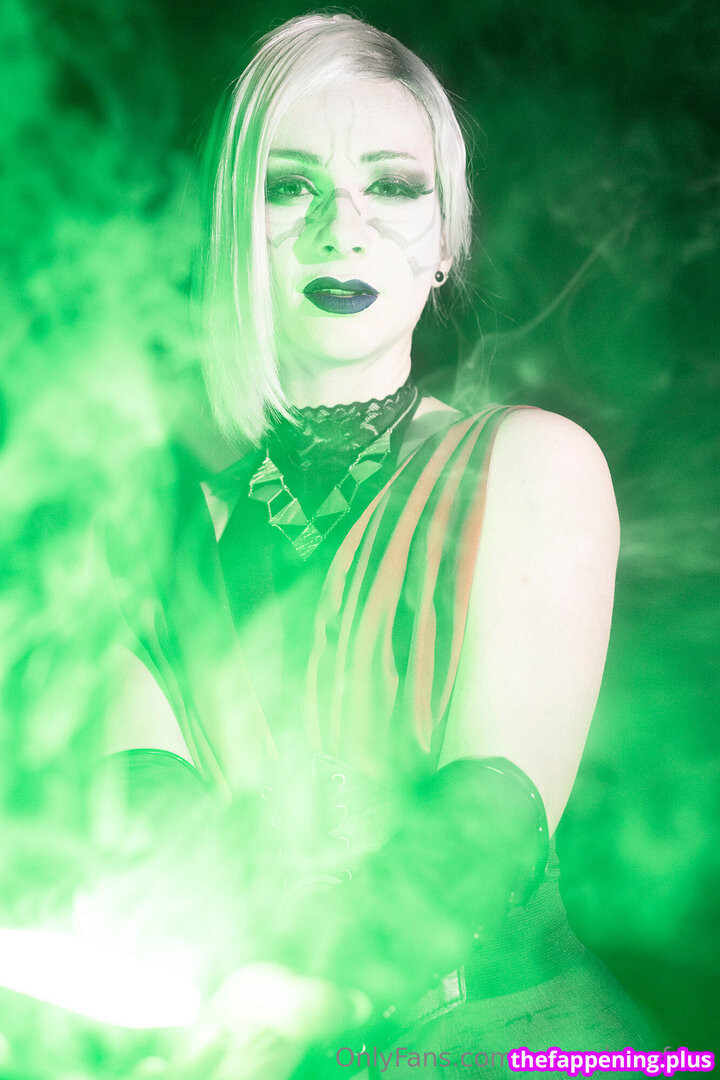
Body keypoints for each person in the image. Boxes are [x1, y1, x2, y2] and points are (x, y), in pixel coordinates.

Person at [101, 12, 657, 1079]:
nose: (339, 230)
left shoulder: (529, 464)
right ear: (231, 228)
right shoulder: (150, 527)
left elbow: (494, 810)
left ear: (445, 243)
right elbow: (145, 812)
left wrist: (323, 984)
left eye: (394, 187)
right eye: (289, 186)